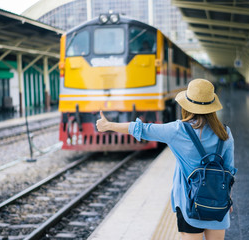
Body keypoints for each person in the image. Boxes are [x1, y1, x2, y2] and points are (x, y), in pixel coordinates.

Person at [96, 78, 236, 240]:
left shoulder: (178, 130)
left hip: (189, 205)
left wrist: (109, 126)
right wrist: (228, 198)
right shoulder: (225, 133)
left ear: (186, 105)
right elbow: (229, 171)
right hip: (219, 204)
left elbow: (142, 129)